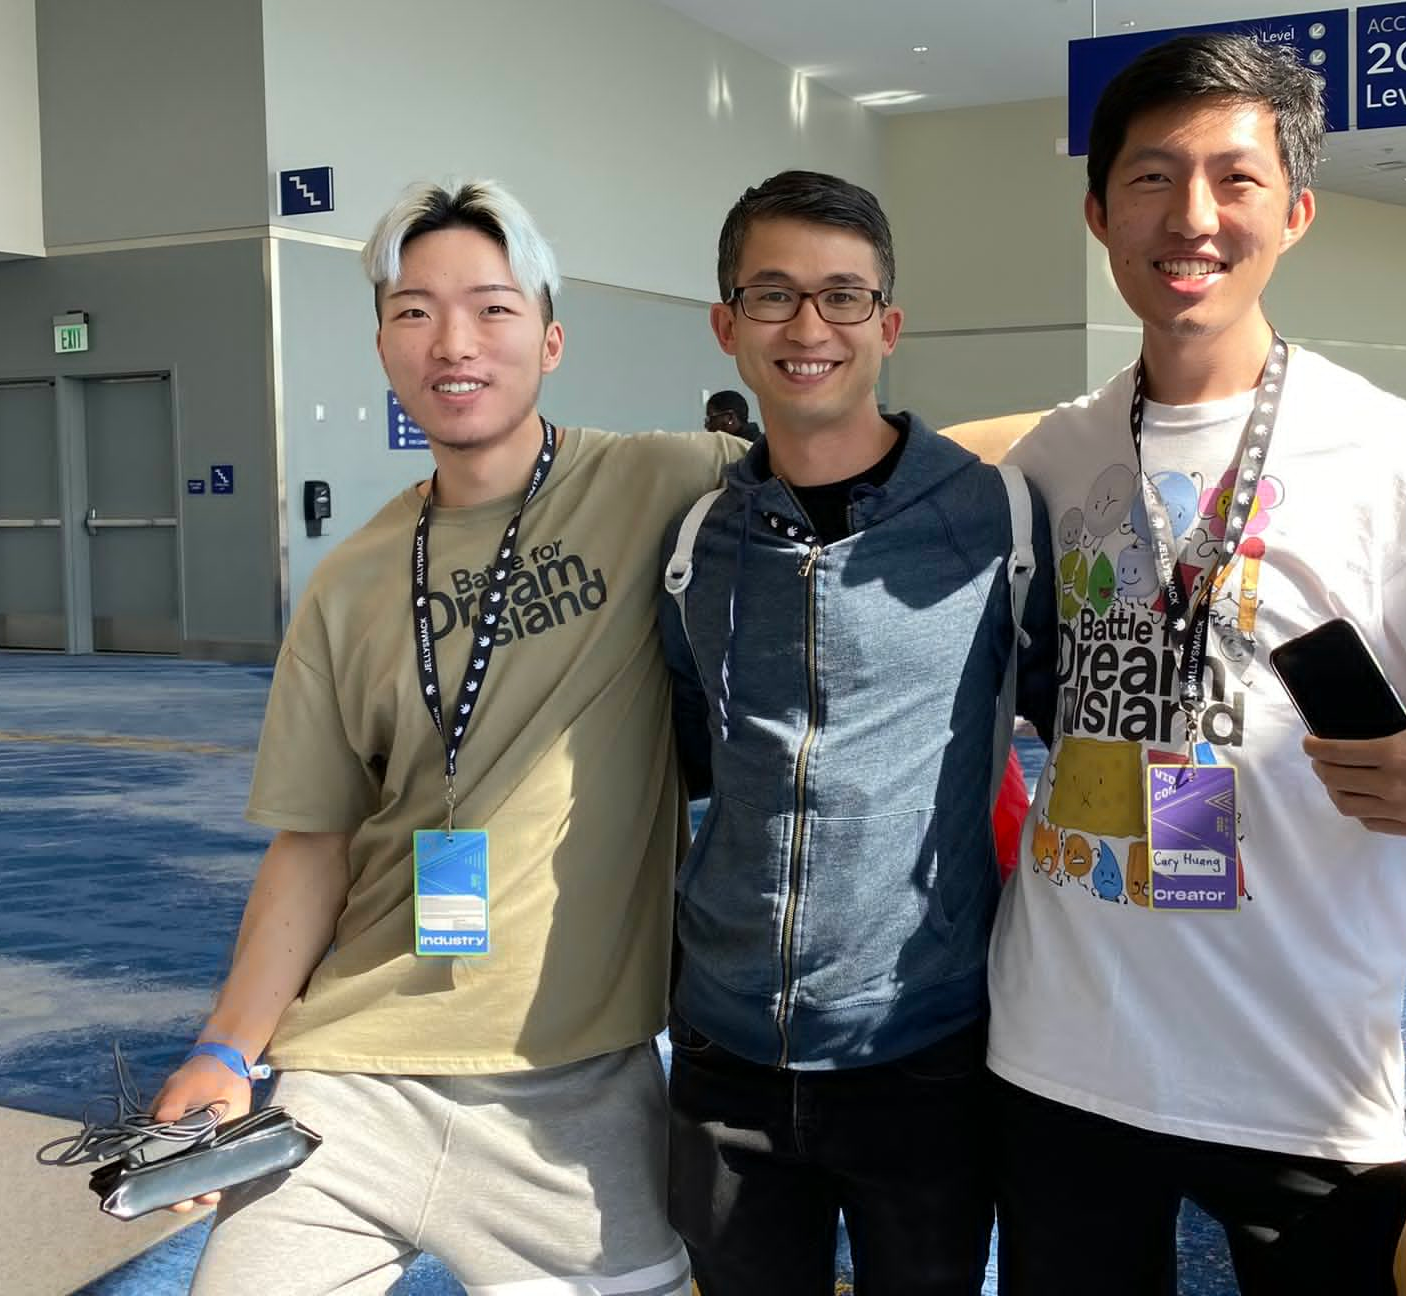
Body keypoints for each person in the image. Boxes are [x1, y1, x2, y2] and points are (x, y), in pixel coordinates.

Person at [988, 35, 1406, 1296]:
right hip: (1061, 1048)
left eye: (1233, 180)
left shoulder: (1384, 449)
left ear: (1294, 212)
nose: (1191, 216)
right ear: (1097, 212)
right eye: (1151, 179)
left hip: (1302, 1068)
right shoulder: (1056, 453)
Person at [150, 179, 740, 1295]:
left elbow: (882, 466)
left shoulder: (661, 480)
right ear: (381, 342)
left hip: (576, 1102)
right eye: (414, 310)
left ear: (552, 338)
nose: (453, 342)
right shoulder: (351, 581)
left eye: (492, 308)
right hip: (352, 1081)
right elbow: (313, 842)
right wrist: (228, 1052)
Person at [655, 169, 1057, 1296]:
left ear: (889, 322)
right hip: (727, 1051)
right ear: (728, 325)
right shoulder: (697, 541)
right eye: (773, 296)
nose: (809, 327)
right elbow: (695, 756)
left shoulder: (992, 519)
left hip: (924, 1046)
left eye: (843, 296)